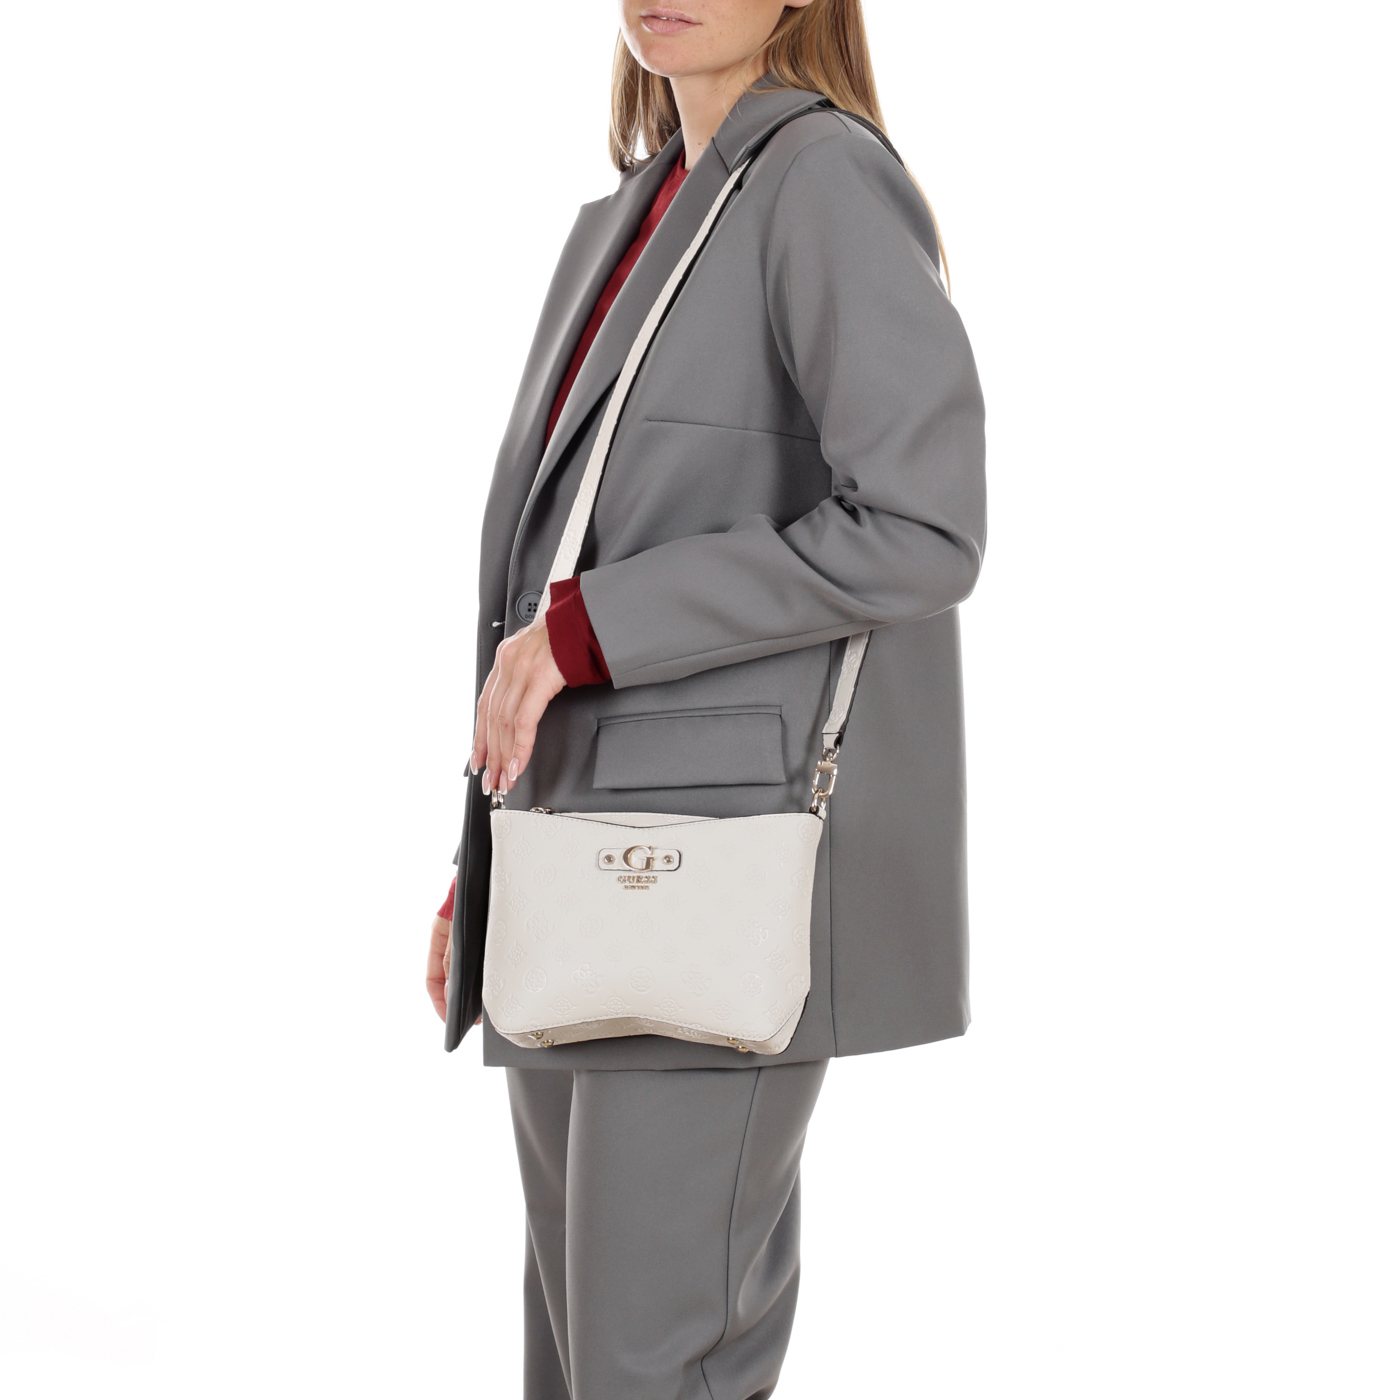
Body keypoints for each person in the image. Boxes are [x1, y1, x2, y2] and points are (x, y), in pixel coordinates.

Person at [426, 2, 985, 1394]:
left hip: (717, 870)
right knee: (576, 1358)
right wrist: (483, 863)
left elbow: (923, 525)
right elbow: (549, 573)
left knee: (648, 1362)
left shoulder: (822, 179)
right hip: (576, 862)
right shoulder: (638, 210)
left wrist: (595, 630)